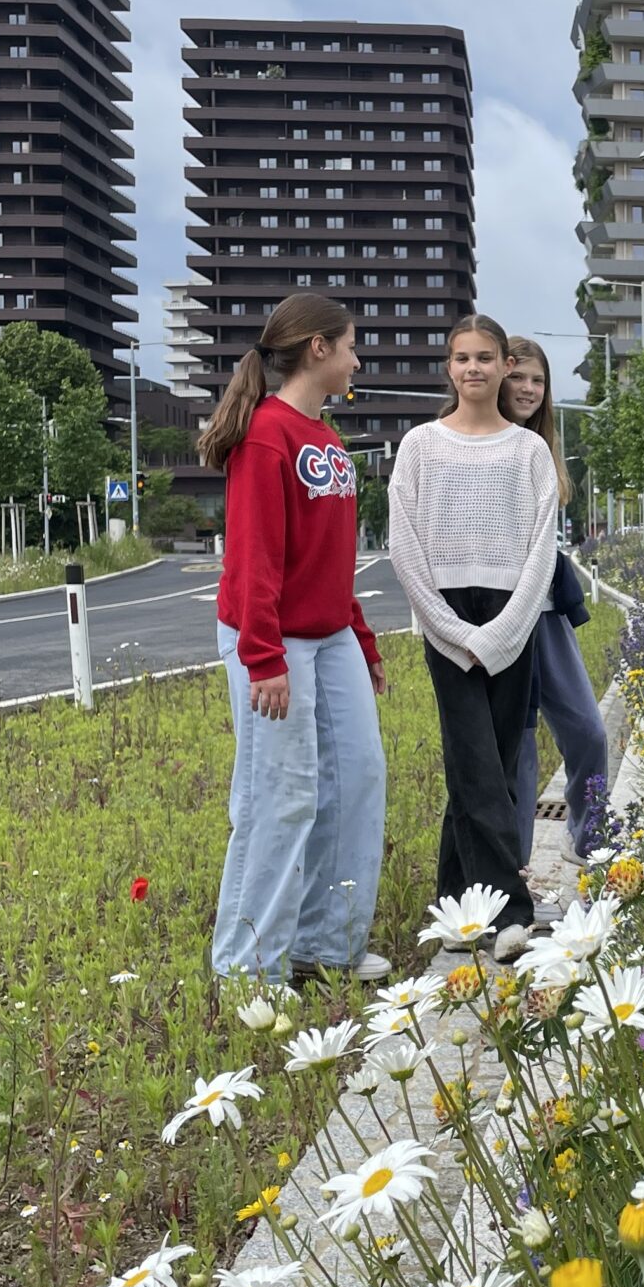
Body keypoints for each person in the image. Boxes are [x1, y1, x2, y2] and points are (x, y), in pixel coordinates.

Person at [200, 293, 388, 986]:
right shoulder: (266, 436)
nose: (356, 361)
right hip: (273, 639)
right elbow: (253, 556)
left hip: (331, 636)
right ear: (318, 348)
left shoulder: (327, 439)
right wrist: (263, 658)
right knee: (279, 796)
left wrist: (362, 641)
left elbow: (333, 562)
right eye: (351, 347)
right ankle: (247, 971)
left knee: (358, 778)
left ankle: (324, 946)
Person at [388, 313, 559, 951]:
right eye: (462, 358)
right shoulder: (420, 446)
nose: (474, 369)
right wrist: (450, 629)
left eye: (485, 358)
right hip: (445, 618)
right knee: (474, 762)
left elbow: (542, 549)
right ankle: (511, 913)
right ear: (449, 368)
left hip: (513, 615)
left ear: (505, 366)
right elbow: (404, 546)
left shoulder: (528, 451)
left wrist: (504, 632)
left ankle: (457, 909)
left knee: (494, 766)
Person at [502, 338, 610, 866]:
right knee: (518, 751)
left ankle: (590, 841)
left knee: (589, 731)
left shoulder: (542, 447)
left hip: (546, 614)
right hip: (503, 619)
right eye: (518, 376)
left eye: (538, 381)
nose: (528, 388)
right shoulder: (483, 444)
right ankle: (515, 870)